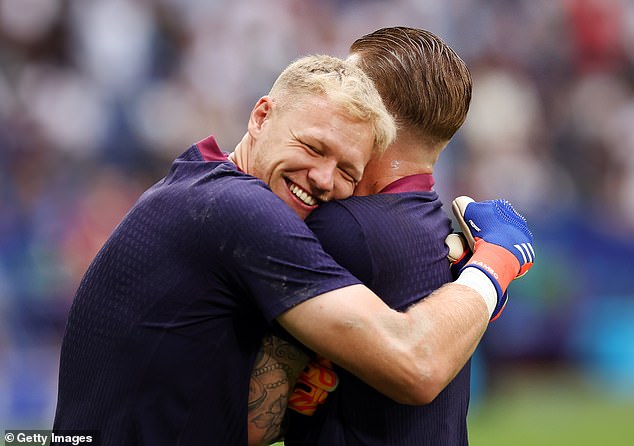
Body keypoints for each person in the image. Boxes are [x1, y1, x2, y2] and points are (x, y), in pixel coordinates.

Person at [53, 54, 533, 446]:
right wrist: (495, 264)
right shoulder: (241, 210)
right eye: (313, 147)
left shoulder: (198, 181)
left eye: (347, 170)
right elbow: (416, 364)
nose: (324, 180)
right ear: (262, 115)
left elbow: (239, 422)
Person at [281, 27, 486, 446]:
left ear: (373, 112)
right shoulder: (436, 226)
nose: (335, 91)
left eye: (349, 83)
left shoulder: (343, 228)